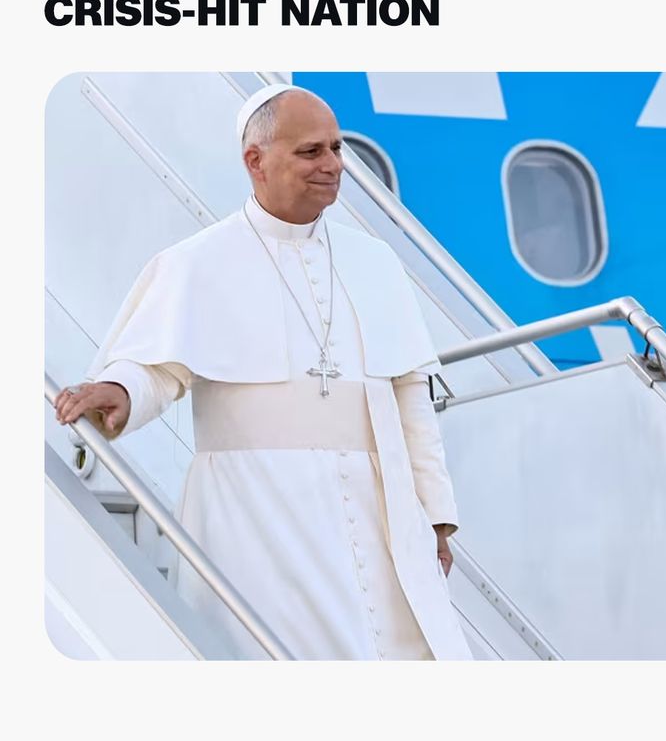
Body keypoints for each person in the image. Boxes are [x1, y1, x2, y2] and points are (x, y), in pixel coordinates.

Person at [54, 85, 473, 661]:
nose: (332, 165)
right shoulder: (196, 262)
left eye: (336, 148)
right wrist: (120, 390)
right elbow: (156, 367)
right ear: (256, 160)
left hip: (378, 509)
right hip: (256, 512)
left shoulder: (375, 263)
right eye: (310, 152)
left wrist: (437, 519)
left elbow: (412, 402)